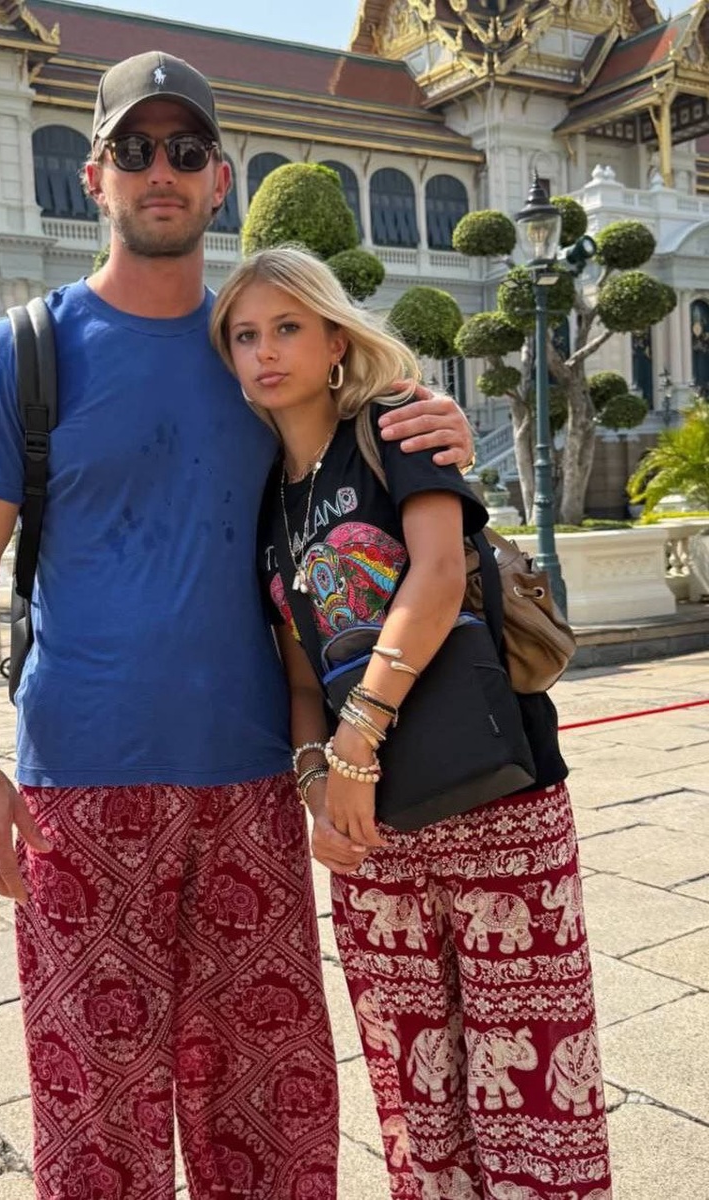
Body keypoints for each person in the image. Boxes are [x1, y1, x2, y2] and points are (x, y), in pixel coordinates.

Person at [0, 51, 475, 1200]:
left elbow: (368, 458)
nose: (159, 169)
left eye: (184, 149)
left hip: (251, 787)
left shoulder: (259, 355)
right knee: (96, 1126)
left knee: (270, 1120)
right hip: (82, 791)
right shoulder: (23, 352)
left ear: (220, 179)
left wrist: (437, 423)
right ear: (95, 175)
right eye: (134, 149)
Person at [210, 246, 612, 1200]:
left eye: (287, 328)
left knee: (531, 1078)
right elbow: (298, 670)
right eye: (245, 336)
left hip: (495, 792)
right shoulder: (264, 500)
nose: (266, 352)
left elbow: (434, 576)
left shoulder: (393, 425)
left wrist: (358, 742)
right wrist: (318, 783)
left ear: (335, 338)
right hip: (372, 827)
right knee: (413, 1082)